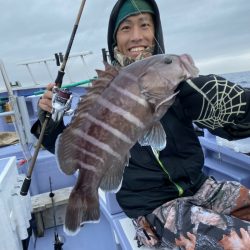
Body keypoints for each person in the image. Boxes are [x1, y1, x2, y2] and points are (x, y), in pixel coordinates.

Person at [31, 0, 250, 249]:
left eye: (145, 25)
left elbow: (238, 127)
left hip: (202, 187)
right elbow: (78, 140)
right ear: (114, 39)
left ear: (155, 32)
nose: (137, 36)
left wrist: (226, 103)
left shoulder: (183, 88)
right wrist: (49, 120)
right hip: (153, 210)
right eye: (126, 28)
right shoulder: (104, 92)